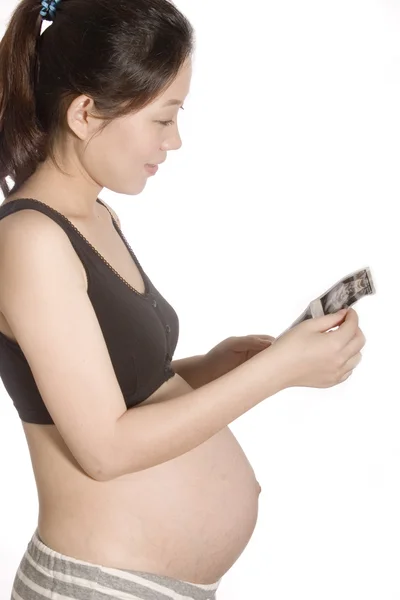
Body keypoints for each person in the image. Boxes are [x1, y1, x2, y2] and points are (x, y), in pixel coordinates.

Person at [0, 0, 366, 598]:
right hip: (99, 585)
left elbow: (108, 391)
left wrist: (212, 367)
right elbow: (105, 448)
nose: (175, 141)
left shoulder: (93, 215)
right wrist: (278, 372)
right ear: (86, 113)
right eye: (163, 119)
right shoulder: (29, 240)